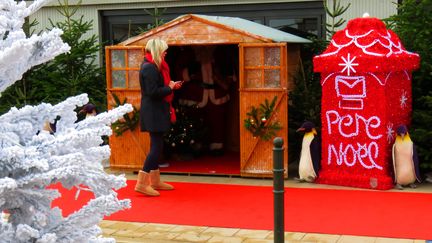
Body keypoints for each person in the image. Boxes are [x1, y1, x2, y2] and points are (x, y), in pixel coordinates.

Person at [135, 39, 182, 196]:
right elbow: (152, 92)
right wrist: (169, 87)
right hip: (153, 112)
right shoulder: (149, 68)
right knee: (156, 147)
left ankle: (155, 181)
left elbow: (156, 89)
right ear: (157, 50)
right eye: (164, 50)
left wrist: (171, 86)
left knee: (156, 145)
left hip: (157, 110)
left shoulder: (155, 66)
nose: (166, 52)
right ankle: (142, 183)